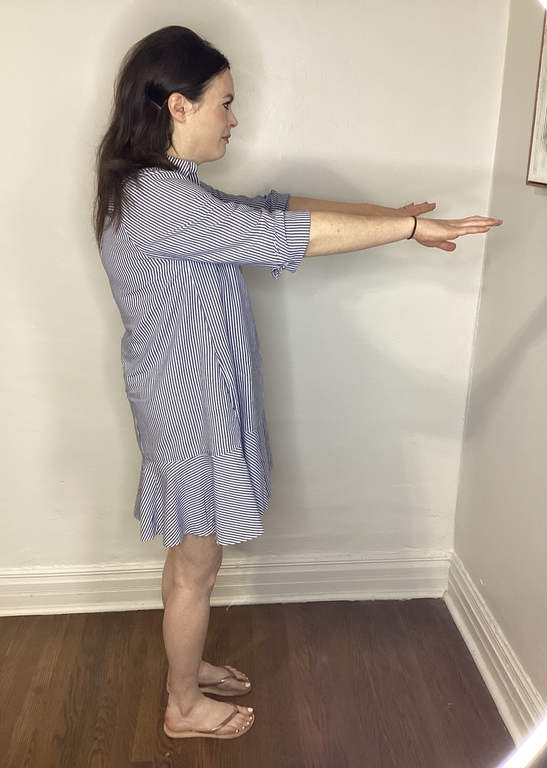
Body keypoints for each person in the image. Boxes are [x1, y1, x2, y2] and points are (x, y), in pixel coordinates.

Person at [95, 25, 502, 741]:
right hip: (188, 410)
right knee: (196, 563)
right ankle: (182, 706)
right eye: (225, 103)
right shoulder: (158, 201)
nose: (234, 119)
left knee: (193, 555)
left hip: (191, 400)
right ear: (178, 107)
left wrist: (394, 216)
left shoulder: (166, 189)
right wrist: (408, 234)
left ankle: (187, 669)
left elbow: (273, 210)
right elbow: (286, 237)